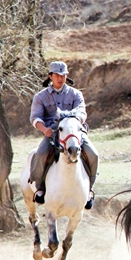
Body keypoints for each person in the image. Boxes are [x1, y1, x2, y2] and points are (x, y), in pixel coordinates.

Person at [28, 61, 99, 209]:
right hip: (52, 132)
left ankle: (90, 189)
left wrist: (73, 125)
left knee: (93, 154)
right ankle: (40, 188)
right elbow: (35, 117)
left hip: (74, 132)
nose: (61, 78)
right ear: (50, 76)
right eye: (57, 75)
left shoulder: (76, 94)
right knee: (40, 154)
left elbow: (81, 112)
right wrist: (44, 129)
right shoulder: (40, 97)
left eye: (63, 75)